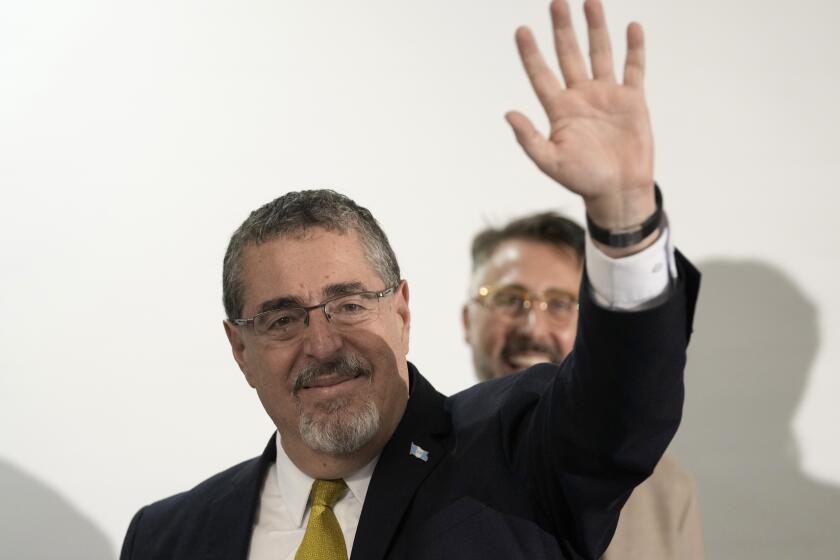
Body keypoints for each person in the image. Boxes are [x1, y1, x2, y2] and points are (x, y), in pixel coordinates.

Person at [119, 1, 700, 558]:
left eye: (348, 305)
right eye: (282, 319)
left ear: (401, 310)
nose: (321, 344)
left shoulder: (518, 455)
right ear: (239, 349)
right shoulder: (166, 538)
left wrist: (624, 217)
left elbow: (621, 406)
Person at [463, 212, 704, 559]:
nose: (533, 328)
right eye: (509, 299)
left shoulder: (667, 490)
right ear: (468, 320)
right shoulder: (412, 468)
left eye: (560, 304)